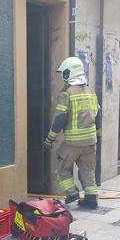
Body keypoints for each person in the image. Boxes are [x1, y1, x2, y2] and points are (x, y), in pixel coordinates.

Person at [44, 56, 101, 210]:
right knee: (88, 171)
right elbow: (98, 116)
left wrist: (50, 138)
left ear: (69, 74)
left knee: (62, 169)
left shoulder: (67, 93)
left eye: (64, 73)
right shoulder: (91, 92)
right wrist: (98, 135)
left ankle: (72, 192)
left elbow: (60, 119)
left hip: (73, 143)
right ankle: (91, 200)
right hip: (90, 142)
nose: (63, 77)